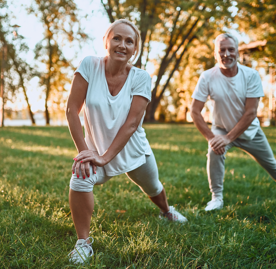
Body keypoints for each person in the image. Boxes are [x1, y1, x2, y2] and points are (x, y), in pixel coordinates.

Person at [66, 19, 187, 264]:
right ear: (106, 42)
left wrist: (105, 158)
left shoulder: (141, 77)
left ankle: (166, 211)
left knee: (153, 187)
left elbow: (132, 124)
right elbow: (71, 110)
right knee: (79, 178)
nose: (122, 44)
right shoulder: (89, 65)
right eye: (117, 38)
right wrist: (84, 152)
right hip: (95, 150)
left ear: (135, 49)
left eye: (129, 41)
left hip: (133, 151)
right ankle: (83, 243)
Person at [191, 33, 276, 212]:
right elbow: (195, 111)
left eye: (231, 49)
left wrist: (229, 138)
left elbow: (251, 112)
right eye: (222, 50)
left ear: (237, 52)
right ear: (215, 54)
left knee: (272, 166)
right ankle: (216, 198)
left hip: (250, 132)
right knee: (214, 152)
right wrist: (211, 138)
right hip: (221, 129)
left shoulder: (251, 75)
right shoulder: (207, 77)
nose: (226, 54)